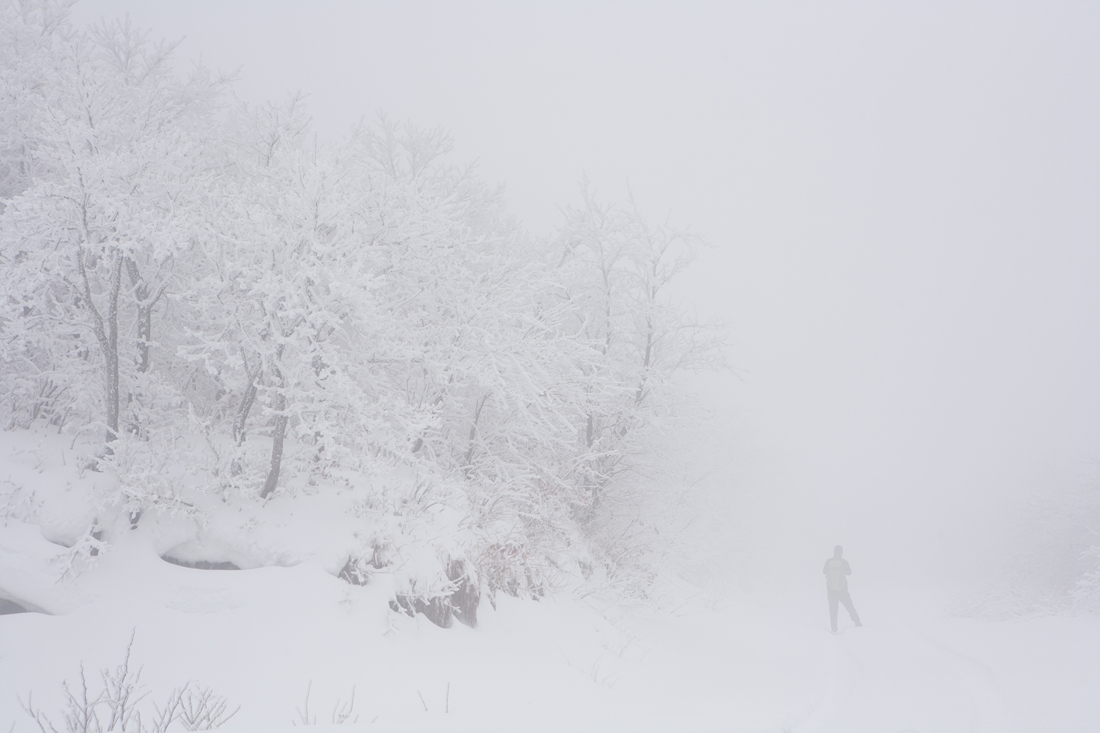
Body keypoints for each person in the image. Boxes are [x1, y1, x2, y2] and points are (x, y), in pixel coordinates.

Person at [823, 545, 862, 633]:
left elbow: (824, 572)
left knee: (833, 610)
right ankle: (857, 622)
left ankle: (834, 628)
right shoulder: (844, 562)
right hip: (843, 590)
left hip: (831, 591)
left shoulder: (829, 561)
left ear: (834, 552)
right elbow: (849, 573)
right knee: (849, 606)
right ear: (841, 552)